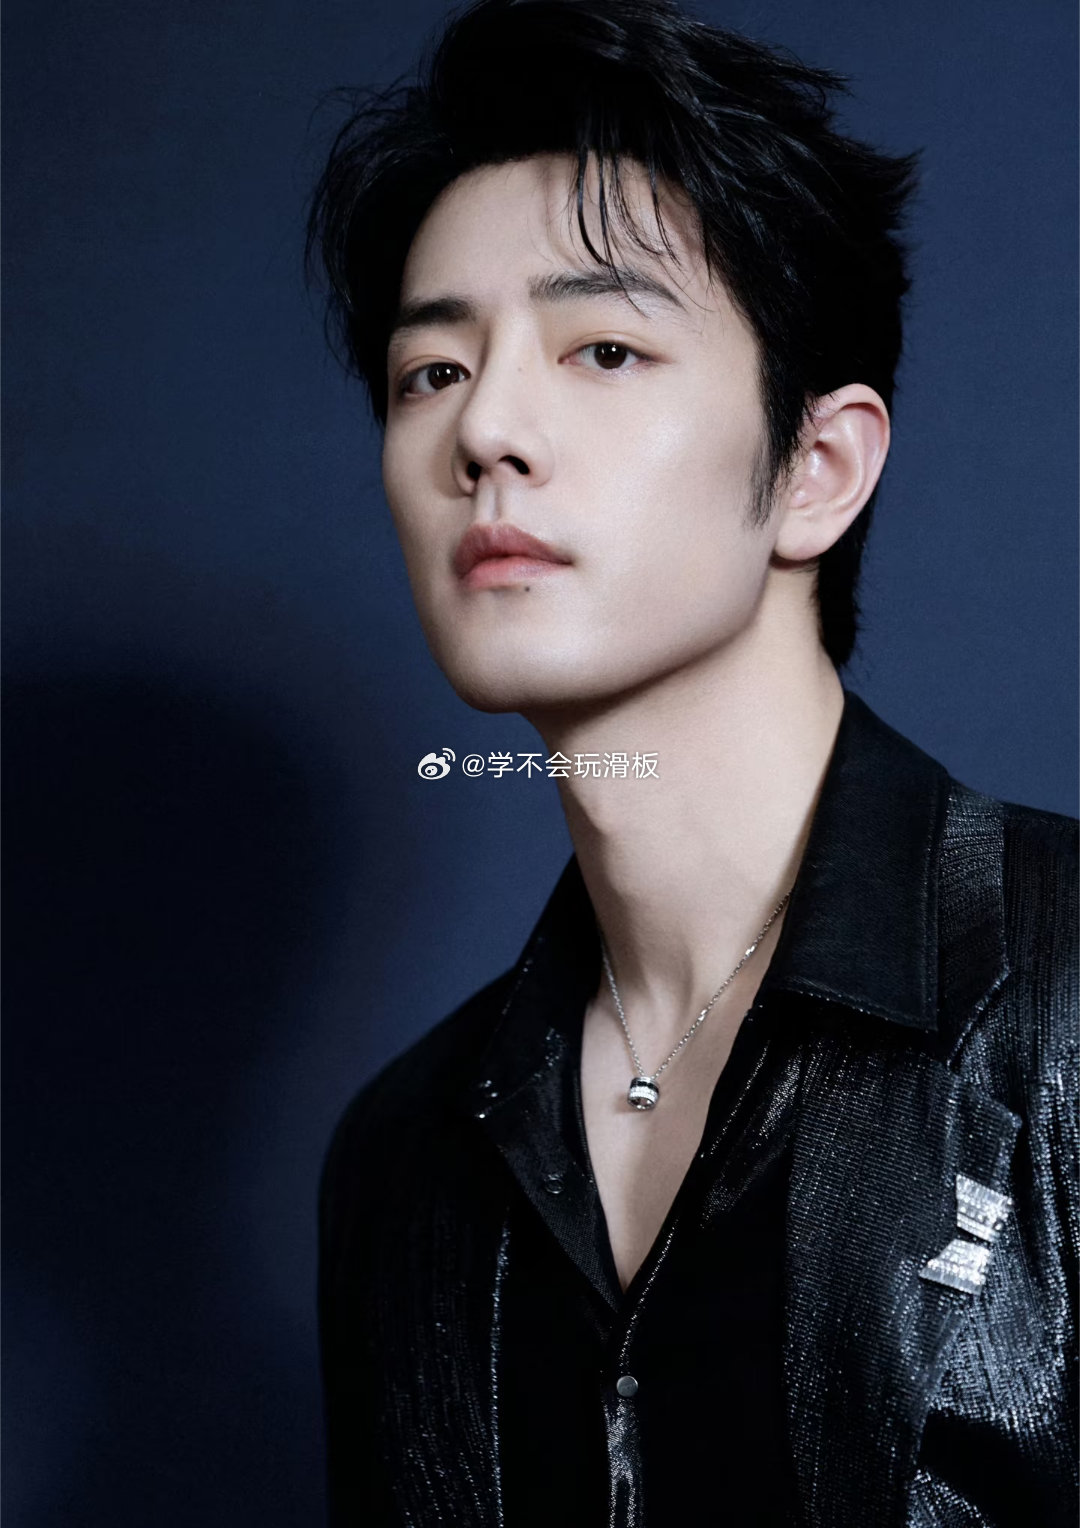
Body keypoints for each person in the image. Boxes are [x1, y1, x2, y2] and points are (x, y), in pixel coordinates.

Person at [306, 1, 1078, 1522]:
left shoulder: (1058, 999)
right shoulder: (404, 1161)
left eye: (603, 347)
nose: (488, 430)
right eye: (430, 372)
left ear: (816, 469)